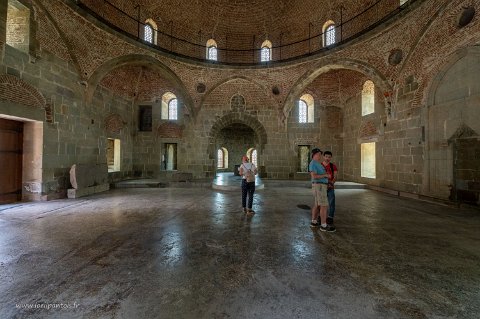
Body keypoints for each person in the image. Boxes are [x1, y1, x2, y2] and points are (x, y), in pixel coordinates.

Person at [309, 148, 335, 232]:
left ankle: (314, 221)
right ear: (314, 155)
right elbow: (314, 176)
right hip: (319, 186)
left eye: (320, 154)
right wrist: (326, 175)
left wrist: (328, 181)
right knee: (324, 205)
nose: (320, 156)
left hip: (320, 186)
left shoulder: (317, 163)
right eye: (318, 154)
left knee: (317, 205)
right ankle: (323, 225)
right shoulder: (313, 163)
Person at [321, 151, 338, 226]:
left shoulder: (333, 166)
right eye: (326, 156)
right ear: (323, 157)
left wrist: (331, 183)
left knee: (331, 202)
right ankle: (320, 216)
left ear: (331, 158)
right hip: (321, 187)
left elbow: (335, 176)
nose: (327, 158)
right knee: (321, 203)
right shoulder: (320, 165)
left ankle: (330, 217)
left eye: (329, 157)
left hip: (330, 187)